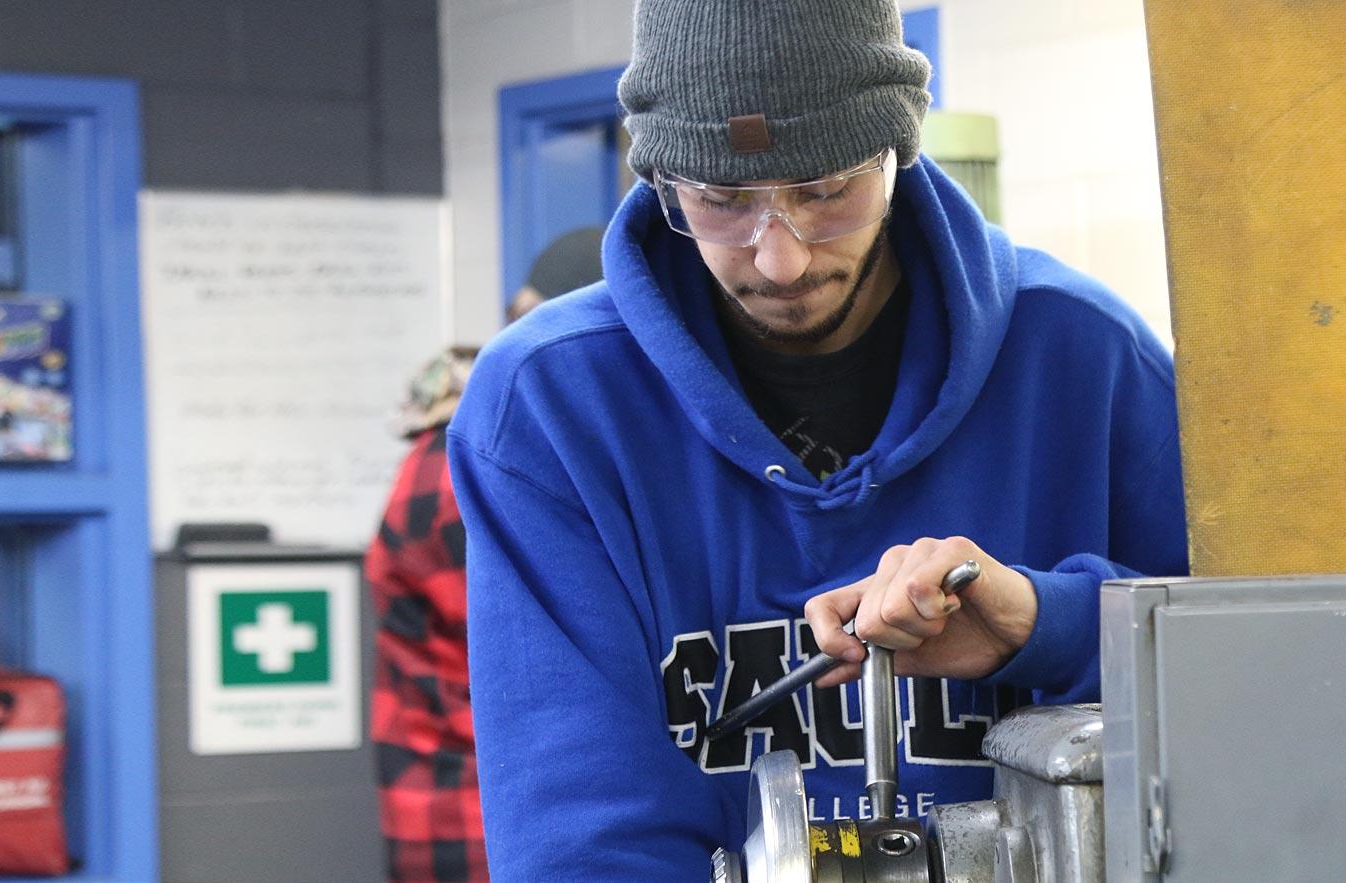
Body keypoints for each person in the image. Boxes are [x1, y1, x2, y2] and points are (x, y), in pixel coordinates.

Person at [446, 0, 1189, 877]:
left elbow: (1256, 688)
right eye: (720, 202)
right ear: (660, 182)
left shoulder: (1088, 356)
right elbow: (578, 832)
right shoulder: (547, 405)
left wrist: (1047, 621)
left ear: (898, 150)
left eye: (827, 190)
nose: (781, 259)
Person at [367, 230, 603, 883]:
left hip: (463, 802)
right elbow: (528, 663)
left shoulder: (461, 440)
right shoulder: (477, 460)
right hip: (485, 819)